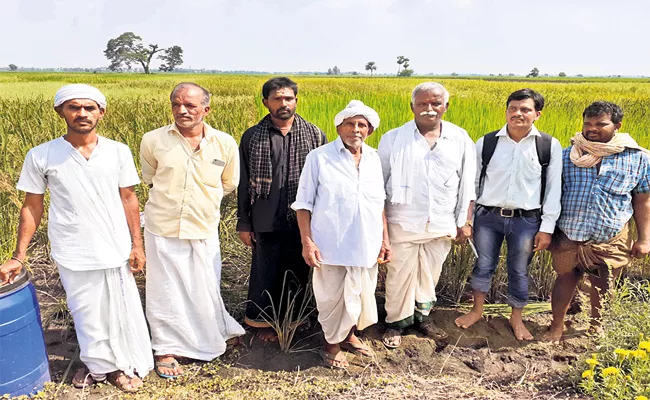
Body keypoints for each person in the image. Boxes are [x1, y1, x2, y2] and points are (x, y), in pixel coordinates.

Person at [0, 84, 153, 392]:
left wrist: (137, 244)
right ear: (61, 111)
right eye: (74, 107)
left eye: (89, 107)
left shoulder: (117, 151)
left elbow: (129, 198)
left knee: (120, 307)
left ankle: (121, 364)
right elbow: (32, 206)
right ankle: (100, 367)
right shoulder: (42, 155)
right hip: (72, 246)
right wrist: (19, 254)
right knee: (85, 309)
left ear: (101, 112)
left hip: (115, 246)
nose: (82, 113)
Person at [140, 82, 245, 378]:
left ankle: (208, 337)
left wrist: (201, 199)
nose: (182, 110)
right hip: (162, 225)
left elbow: (229, 183)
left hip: (203, 225)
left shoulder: (223, 143)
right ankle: (165, 347)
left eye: (190, 105)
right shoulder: (153, 140)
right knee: (164, 290)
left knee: (205, 285)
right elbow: (149, 177)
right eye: (176, 104)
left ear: (206, 109)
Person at [455, 88, 562, 341]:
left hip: (526, 220)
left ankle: (516, 319)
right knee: (483, 264)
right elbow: (473, 184)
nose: (518, 113)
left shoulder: (547, 145)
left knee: (519, 269)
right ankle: (477, 311)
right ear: (506, 111)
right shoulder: (487, 142)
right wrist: (467, 219)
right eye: (513, 108)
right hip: (488, 217)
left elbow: (553, 188)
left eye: (525, 109)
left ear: (537, 114)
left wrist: (546, 228)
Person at [377, 82, 476, 348]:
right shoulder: (393, 138)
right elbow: (379, 184)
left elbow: (468, 184)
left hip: (442, 222)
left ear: (446, 106)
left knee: (430, 275)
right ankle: (396, 323)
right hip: (402, 221)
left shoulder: (460, 138)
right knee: (399, 275)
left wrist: (466, 222)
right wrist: (381, 227)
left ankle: (423, 319)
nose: (429, 109)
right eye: (422, 104)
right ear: (412, 107)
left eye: (435, 104)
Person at [292, 100, 390, 368]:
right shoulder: (319, 157)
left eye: (362, 125)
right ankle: (331, 344)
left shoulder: (374, 158)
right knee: (331, 296)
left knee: (360, 293)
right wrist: (307, 241)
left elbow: (378, 202)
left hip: (366, 243)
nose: (355, 129)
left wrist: (385, 239)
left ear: (370, 130)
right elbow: (303, 204)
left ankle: (349, 336)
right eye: (350, 124)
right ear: (338, 127)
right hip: (330, 244)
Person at [544, 101, 650, 343]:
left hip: (610, 237)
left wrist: (645, 239)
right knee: (565, 278)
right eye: (587, 123)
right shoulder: (567, 155)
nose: (592, 129)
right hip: (569, 234)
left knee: (604, 282)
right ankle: (557, 326)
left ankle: (596, 326)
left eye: (600, 124)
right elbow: (550, 196)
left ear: (617, 126)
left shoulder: (638, 159)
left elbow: (643, 201)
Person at [237, 77, 327, 342]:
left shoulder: (314, 134)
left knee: (299, 268)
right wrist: (244, 223)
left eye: (288, 98)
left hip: (302, 217)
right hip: (264, 214)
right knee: (266, 268)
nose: (283, 103)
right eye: (277, 98)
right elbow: (244, 181)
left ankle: (296, 320)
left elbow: (323, 183)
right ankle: (263, 324)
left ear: (296, 101)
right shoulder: (253, 136)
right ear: (266, 102)